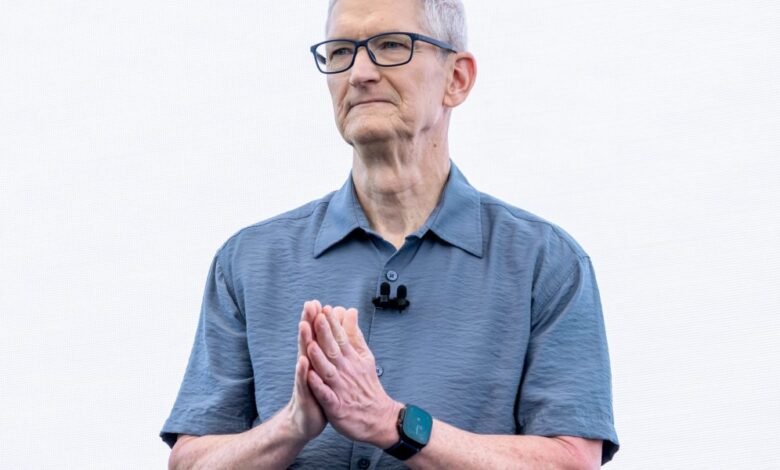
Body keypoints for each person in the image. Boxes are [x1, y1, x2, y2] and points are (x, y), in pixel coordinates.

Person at [160, 0, 619, 468]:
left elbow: (571, 460)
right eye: (341, 52)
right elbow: (189, 462)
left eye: (392, 45)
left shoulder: (546, 263)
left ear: (457, 79)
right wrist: (291, 426)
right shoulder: (249, 261)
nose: (359, 73)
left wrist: (392, 423)